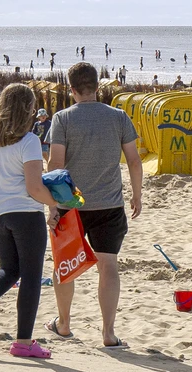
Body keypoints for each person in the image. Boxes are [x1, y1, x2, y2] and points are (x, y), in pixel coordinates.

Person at [45, 63, 143, 349]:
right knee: (108, 266)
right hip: (109, 203)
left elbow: (55, 164)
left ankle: (63, 325)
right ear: (97, 88)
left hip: (70, 204)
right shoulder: (119, 117)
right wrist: (137, 195)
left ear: (72, 89)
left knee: (65, 264)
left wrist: (52, 205)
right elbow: (134, 161)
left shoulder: (62, 119)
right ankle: (108, 334)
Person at [0, 83, 60, 358]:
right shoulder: (29, 141)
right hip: (26, 214)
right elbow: (34, 188)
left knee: (8, 270)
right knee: (30, 277)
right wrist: (54, 204)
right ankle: (24, 342)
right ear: (29, 109)